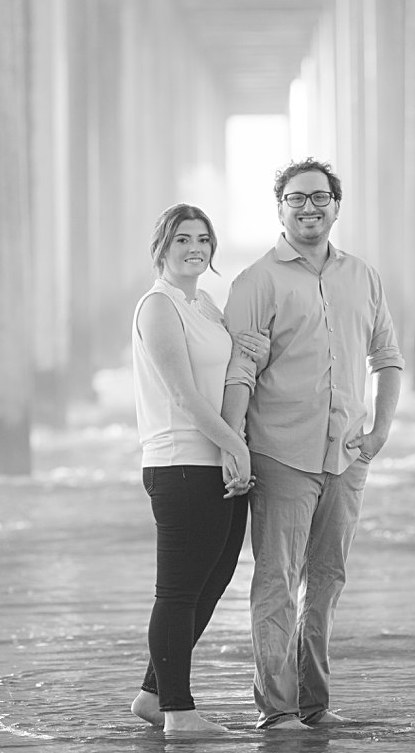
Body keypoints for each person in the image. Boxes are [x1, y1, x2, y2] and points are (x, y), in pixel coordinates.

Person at [222, 158, 404, 729]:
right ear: (280, 207)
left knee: (326, 582)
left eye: (319, 197)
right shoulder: (256, 281)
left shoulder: (364, 276)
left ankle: (314, 703)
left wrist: (379, 433)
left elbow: (388, 359)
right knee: (276, 584)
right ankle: (276, 710)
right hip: (281, 455)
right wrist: (236, 448)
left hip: (347, 458)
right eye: (296, 198)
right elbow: (239, 375)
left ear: (335, 205)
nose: (309, 207)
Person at [129, 203, 270, 734]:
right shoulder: (158, 305)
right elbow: (184, 396)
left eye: (203, 239)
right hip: (181, 464)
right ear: (161, 248)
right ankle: (178, 713)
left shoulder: (205, 303)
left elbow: (228, 369)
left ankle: (152, 695)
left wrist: (252, 348)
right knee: (179, 591)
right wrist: (236, 446)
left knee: (212, 583)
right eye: (182, 238)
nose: (194, 247)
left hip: (216, 459)